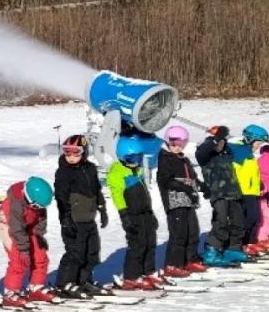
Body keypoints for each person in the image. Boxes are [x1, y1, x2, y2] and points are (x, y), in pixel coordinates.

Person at [51, 136, 111, 298]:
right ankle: (65, 283)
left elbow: (96, 190)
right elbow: (60, 197)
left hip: (88, 217)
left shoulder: (90, 168)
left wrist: (102, 207)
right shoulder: (63, 172)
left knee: (91, 251)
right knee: (75, 252)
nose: (71, 157)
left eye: (75, 152)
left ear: (84, 153)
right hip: (73, 220)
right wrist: (66, 218)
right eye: (67, 152)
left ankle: (84, 281)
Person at [106, 137, 161, 290]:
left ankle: (148, 272)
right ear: (122, 157)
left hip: (145, 213)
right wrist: (124, 215)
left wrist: (151, 213)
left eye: (138, 158)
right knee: (137, 245)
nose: (136, 162)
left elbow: (145, 194)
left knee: (150, 242)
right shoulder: (117, 173)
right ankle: (131, 276)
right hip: (132, 214)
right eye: (132, 158)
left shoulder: (137, 170)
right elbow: (117, 196)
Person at [0, 175, 54, 306]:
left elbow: (41, 219)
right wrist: (23, 248)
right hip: (8, 227)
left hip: (28, 226)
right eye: (37, 206)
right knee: (19, 259)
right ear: (29, 199)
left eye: (42, 207)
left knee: (40, 255)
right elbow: (16, 229)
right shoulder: (16, 204)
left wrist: (39, 236)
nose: (39, 209)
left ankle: (36, 288)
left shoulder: (38, 202)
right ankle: (10, 293)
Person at [195, 126, 249, 266]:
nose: (221, 144)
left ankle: (234, 248)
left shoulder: (226, 153)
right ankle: (212, 249)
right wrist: (215, 139)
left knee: (238, 221)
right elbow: (204, 150)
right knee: (221, 222)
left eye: (223, 141)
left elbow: (238, 150)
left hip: (233, 192)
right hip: (218, 193)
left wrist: (224, 141)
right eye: (218, 141)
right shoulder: (204, 155)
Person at [155, 126, 204, 276]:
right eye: (172, 143)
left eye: (179, 143)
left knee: (193, 231)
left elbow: (192, 178)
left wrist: (202, 186)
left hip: (188, 200)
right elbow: (165, 180)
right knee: (179, 233)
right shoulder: (165, 158)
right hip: (175, 201)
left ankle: (190, 260)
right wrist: (184, 187)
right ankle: (173, 264)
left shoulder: (183, 159)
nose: (176, 146)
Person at [230, 124, 269, 253]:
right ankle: (241, 243)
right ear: (250, 139)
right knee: (246, 219)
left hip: (252, 191)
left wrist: (259, 183)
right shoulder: (238, 150)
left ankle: (251, 242)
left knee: (256, 218)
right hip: (242, 191)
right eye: (258, 143)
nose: (259, 146)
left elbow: (251, 172)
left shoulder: (249, 154)